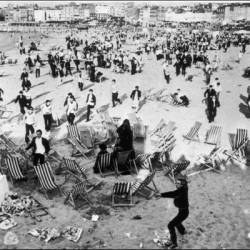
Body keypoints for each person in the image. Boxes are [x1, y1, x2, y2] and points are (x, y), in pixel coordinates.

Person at [156, 174, 189, 249]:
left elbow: (172, 193)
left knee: (170, 225)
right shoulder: (184, 187)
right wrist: (184, 180)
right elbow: (184, 183)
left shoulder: (181, 191)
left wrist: (161, 195)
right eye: (176, 182)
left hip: (184, 212)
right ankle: (183, 231)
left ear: (182, 185)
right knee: (177, 221)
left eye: (178, 183)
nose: (176, 184)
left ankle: (174, 243)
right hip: (183, 211)